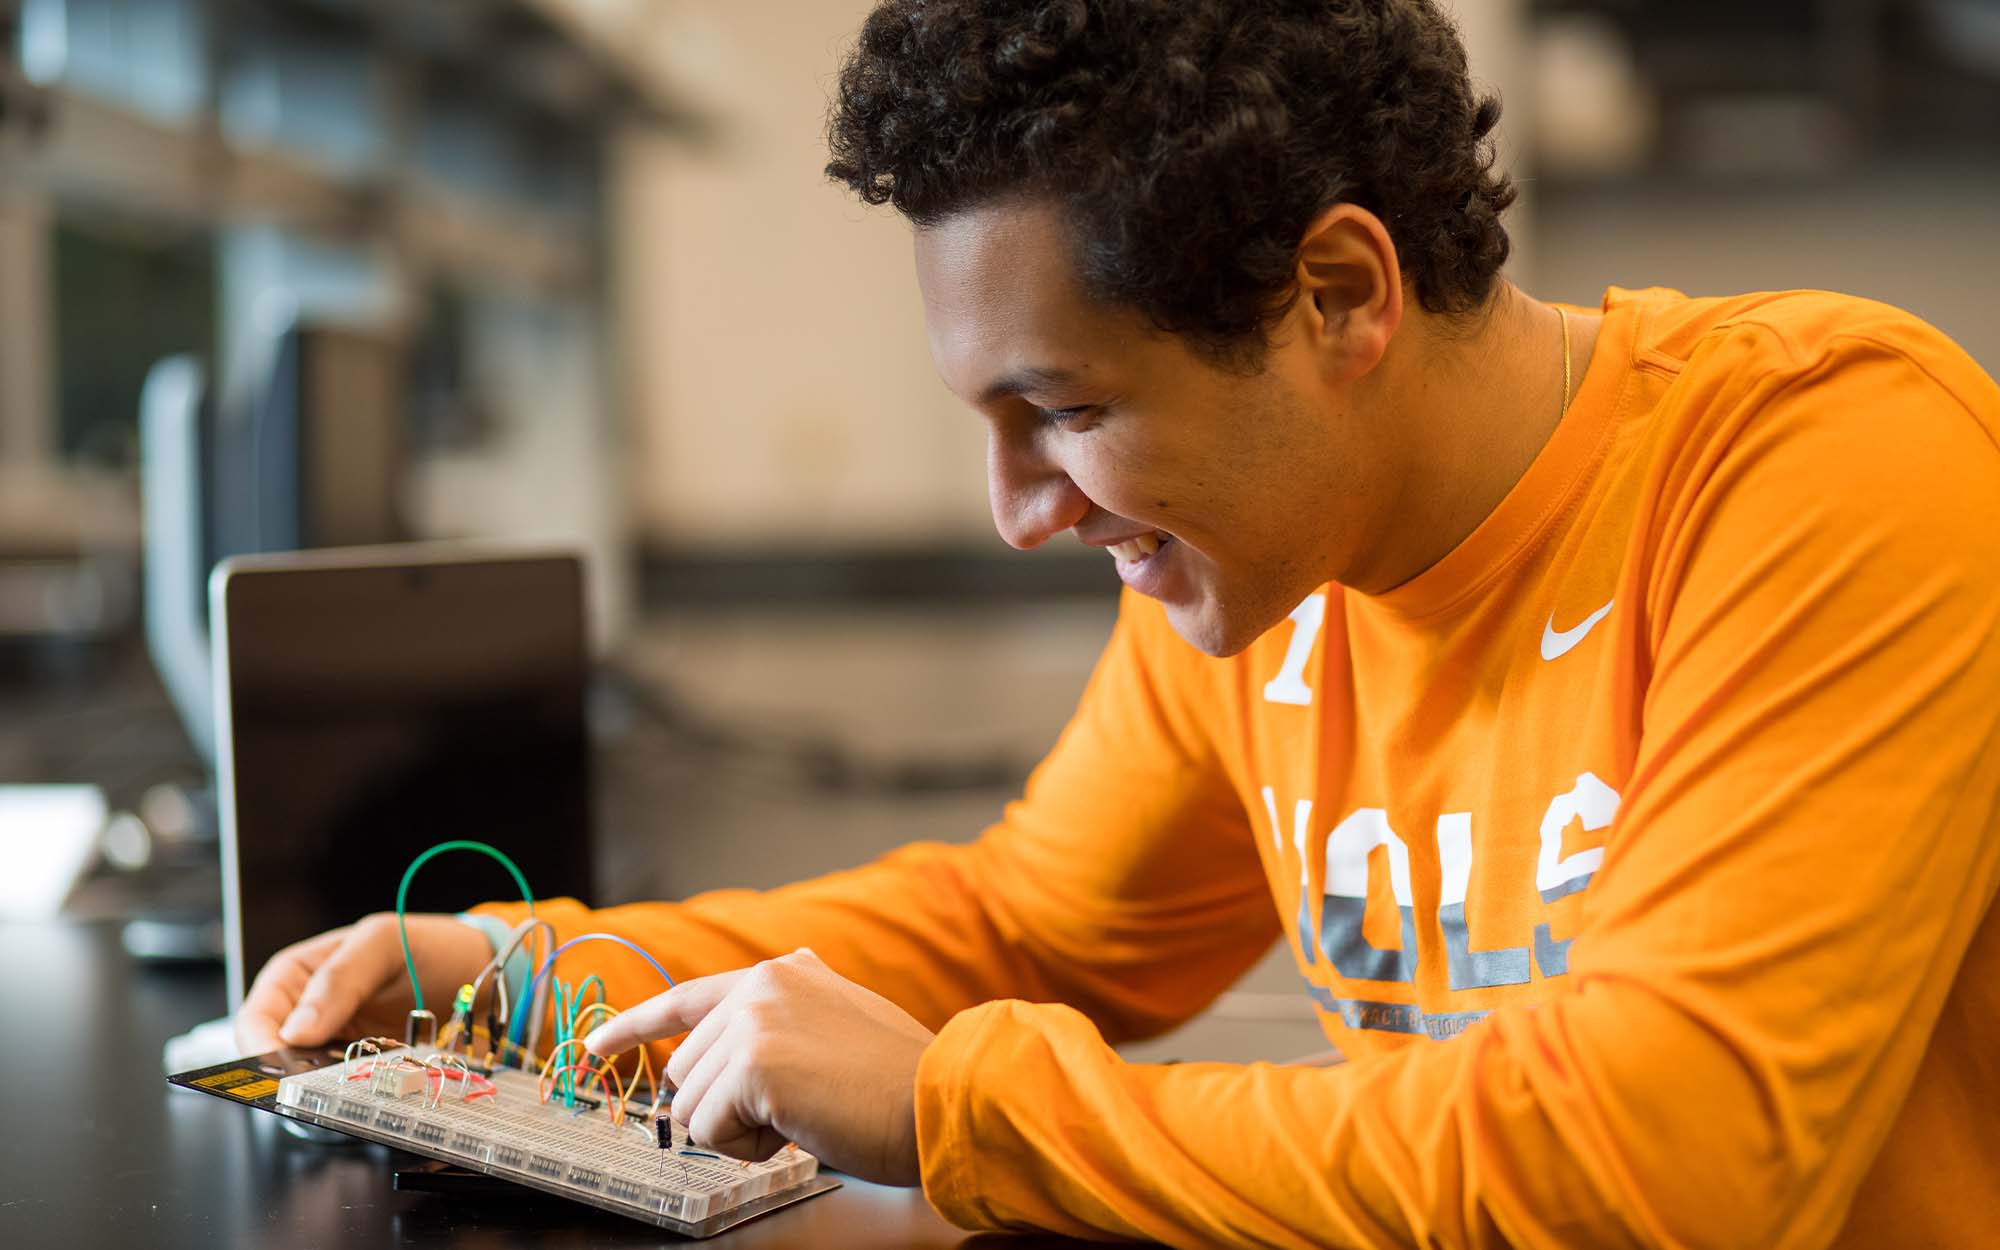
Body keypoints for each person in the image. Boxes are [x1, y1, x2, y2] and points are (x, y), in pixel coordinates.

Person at [235, 2, 2000, 1246]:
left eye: (1065, 411)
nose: (1021, 509)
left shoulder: (1832, 460)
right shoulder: (1270, 566)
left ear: (1340, 296)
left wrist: (965, 1110)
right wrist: (532, 973)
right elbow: (1025, 921)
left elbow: (1665, 1173)